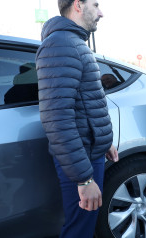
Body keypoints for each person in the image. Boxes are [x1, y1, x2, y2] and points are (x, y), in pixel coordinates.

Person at [36, 1, 118, 237]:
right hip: (81, 161)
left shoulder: (72, 43)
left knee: (84, 225)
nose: (101, 12)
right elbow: (57, 118)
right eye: (95, 4)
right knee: (79, 231)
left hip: (89, 152)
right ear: (78, 6)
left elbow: (85, 103)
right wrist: (83, 179)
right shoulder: (60, 45)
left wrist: (104, 141)